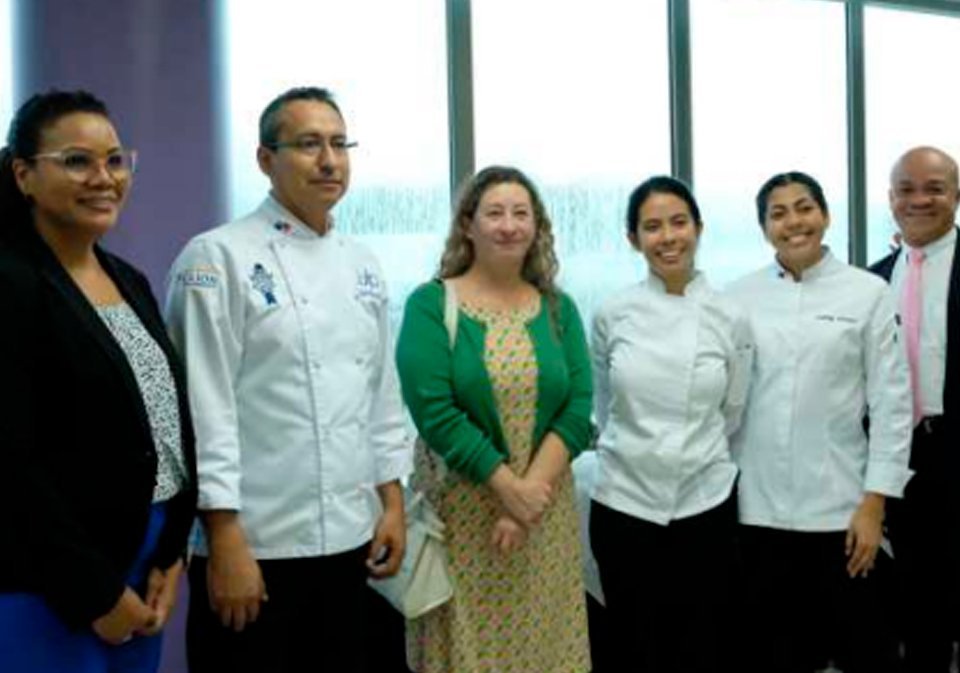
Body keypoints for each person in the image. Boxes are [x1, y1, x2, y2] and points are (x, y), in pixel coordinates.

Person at [165, 86, 411, 673]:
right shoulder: (215, 258)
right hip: (256, 546)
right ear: (265, 160)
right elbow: (205, 408)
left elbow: (379, 394)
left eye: (338, 143)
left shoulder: (363, 263)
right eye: (307, 144)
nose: (328, 160)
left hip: (352, 541)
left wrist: (393, 502)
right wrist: (221, 538)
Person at [0, 90, 197, 673]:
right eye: (77, 161)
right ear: (24, 175)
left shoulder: (128, 279)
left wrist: (171, 551)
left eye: (115, 160)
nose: (104, 177)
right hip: (48, 579)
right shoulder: (10, 284)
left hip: (144, 554)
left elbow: (166, 422)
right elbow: (9, 464)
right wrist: (93, 592)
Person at [395, 165, 593, 673]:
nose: (509, 225)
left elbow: (578, 407)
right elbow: (435, 411)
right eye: (495, 213)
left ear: (538, 227)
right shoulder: (431, 304)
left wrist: (527, 499)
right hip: (464, 521)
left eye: (521, 214)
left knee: (545, 650)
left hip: (545, 522)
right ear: (468, 225)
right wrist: (508, 488)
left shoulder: (558, 308)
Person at [728, 171, 912, 673]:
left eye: (804, 207)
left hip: (841, 508)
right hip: (758, 511)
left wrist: (875, 504)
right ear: (764, 227)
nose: (794, 222)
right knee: (775, 652)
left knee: (866, 647)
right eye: (778, 213)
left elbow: (892, 403)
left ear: (825, 215)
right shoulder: (738, 298)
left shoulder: (867, 293)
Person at [589, 176, 752, 673]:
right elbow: (604, 403)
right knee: (633, 645)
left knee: (703, 645)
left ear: (699, 229)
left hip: (705, 503)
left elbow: (733, 409)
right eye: (652, 226)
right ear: (633, 238)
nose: (668, 237)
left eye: (679, 222)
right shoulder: (612, 312)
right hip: (623, 502)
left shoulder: (730, 314)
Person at [870, 146, 960, 673]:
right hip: (900, 452)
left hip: (956, 444)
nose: (919, 200)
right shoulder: (876, 278)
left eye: (934, 188)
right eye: (906, 189)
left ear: (955, 195)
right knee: (919, 592)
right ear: (890, 199)